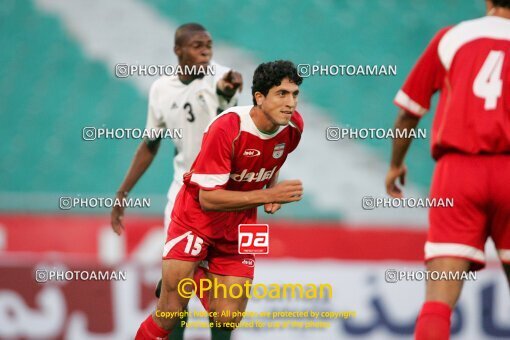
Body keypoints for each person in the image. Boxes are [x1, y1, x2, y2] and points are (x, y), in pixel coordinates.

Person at [135, 60, 305, 339]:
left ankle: (187, 274)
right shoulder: (229, 127)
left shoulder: (294, 127)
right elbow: (208, 199)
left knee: (228, 317)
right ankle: (181, 274)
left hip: (239, 226)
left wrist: (270, 182)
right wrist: (269, 194)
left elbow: (273, 156)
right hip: (195, 221)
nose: (291, 103)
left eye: (295, 94)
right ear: (260, 98)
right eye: (282, 94)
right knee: (170, 313)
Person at [385, 1, 510, 339]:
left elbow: (410, 112)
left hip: (457, 173)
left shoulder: (452, 37)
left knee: (439, 301)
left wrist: (396, 164)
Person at [110, 23, 242, 340]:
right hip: (183, 197)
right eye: (197, 45)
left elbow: (227, 87)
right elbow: (150, 144)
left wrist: (228, 87)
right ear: (178, 50)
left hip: (223, 199)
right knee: (174, 288)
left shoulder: (222, 77)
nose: (206, 50)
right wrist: (123, 192)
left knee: (222, 301)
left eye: (209, 44)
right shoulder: (160, 89)